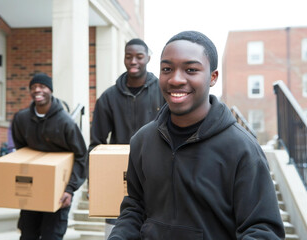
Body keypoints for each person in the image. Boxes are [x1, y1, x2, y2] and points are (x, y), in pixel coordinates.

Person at [107, 31, 285, 240]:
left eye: (191, 70)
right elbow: (134, 208)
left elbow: (263, 230)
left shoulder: (242, 149)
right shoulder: (142, 142)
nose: (176, 79)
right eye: (167, 69)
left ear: (213, 77)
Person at [88, 38, 165, 239]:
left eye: (139, 56)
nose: (133, 61)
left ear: (148, 58)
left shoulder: (162, 92)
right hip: (118, 178)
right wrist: (94, 181)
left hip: (156, 174)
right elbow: (96, 143)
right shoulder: (108, 97)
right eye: (128, 56)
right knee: (118, 232)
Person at [11, 73, 87, 240]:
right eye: (33, 87)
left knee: (51, 236)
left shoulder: (65, 122)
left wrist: (70, 189)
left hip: (59, 191)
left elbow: (82, 156)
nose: (37, 90)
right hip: (32, 187)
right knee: (27, 235)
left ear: (50, 91)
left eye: (42, 87)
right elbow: (21, 150)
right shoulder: (21, 119)